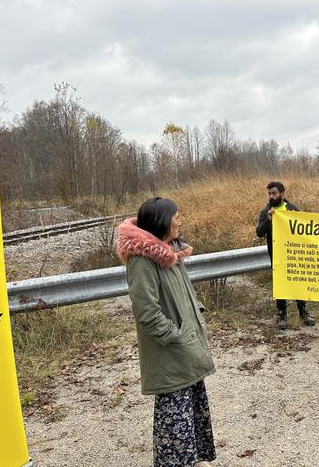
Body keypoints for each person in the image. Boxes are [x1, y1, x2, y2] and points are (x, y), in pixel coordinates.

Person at [116, 197, 216, 467]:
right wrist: (177, 335)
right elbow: (146, 313)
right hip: (172, 350)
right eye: (176, 216)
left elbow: (182, 293)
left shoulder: (170, 250)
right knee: (174, 419)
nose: (180, 220)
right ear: (162, 221)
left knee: (191, 410)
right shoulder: (142, 260)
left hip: (186, 345)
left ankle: (194, 460)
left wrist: (195, 312)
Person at [256, 181, 316, 329]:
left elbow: (303, 230)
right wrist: (268, 221)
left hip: (293, 253)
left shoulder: (292, 209)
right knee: (280, 284)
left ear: (282, 193)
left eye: (274, 193)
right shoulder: (266, 211)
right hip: (276, 254)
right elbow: (259, 233)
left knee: (298, 281)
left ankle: (303, 313)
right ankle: (282, 315)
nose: (271, 196)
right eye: (269, 193)